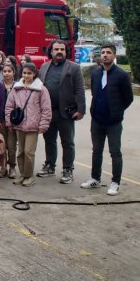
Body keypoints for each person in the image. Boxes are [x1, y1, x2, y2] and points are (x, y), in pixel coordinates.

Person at [81, 44, 134, 196]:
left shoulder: (122, 75)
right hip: (97, 120)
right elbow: (95, 94)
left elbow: (128, 98)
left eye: (108, 52)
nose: (105, 55)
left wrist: (117, 111)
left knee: (115, 152)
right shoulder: (96, 74)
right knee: (96, 151)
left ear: (114, 55)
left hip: (113, 122)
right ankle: (95, 178)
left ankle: (115, 182)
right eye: (103, 52)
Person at [37, 40, 86, 184]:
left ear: (66, 51)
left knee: (67, 142)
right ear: (51, 52)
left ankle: (68, 169)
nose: (59, 52)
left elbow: (80, 89)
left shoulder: (74, 68)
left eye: (62, 49)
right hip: (48, 112)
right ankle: (50, 166)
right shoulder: (44, 67)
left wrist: (81, 110)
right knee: (49, 140)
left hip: (66, 112)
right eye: (56, 49)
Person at [5, 62, 51, 187]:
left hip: (33, 126)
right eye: (24, 73)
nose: (26, 75)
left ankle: (29, 176)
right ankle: (22, 174)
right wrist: (9, 121)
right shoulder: (16, 88)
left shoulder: (41, 89)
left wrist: (43, 124)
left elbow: (46, 109)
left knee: (29, 152)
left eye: (29, 73)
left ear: (34, 74)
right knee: (20, 152)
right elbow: (9, 106)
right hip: (19, 125)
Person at [0, 64, 18, 178]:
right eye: (5, 71)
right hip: (2, 120)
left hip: (14, 121)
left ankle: (12, 167)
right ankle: (3, 167)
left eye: (9, 71)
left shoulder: (18, 86)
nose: (7, 73)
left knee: (11, 145)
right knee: (2, 145)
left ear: (14, 72)